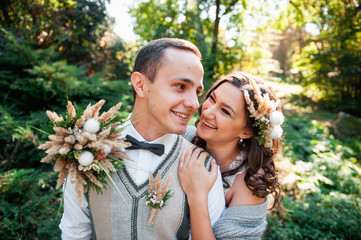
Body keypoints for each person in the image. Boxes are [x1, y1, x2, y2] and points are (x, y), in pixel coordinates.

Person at [59, 38, 225, 239]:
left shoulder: (203, 168)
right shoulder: (85, 153)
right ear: (140, 84)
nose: (193, 103)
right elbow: (74, 233)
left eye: (197, 91)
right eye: (181, 86)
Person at [178, 71, 283, 239]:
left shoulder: (250, 182)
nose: (207, 112)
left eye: (225, 111)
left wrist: (197, 195)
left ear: (247, 131)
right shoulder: (183, 137)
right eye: (212, 98)